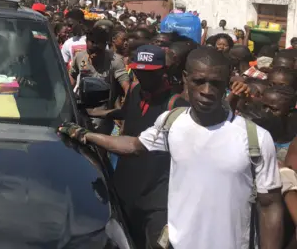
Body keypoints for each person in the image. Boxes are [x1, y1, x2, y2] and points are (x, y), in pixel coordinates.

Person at [59, 46, 283, 249]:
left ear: (226, 83)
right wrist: (86, 135)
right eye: (199, 81)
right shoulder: (172, 122)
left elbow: (271, 206)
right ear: (186, 78)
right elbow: (134, 145)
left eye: (215, 83)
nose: (207, 90)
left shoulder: (256, 139)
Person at [88, 45, 189, 248]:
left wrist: (88, 136)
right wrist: (95, 113)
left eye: (148, 73)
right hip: (125, 187)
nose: (143, 76)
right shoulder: (135, 90)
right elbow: (125, 113)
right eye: (138, 71)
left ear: (163, 71)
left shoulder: (176, 106)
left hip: (156, 197)